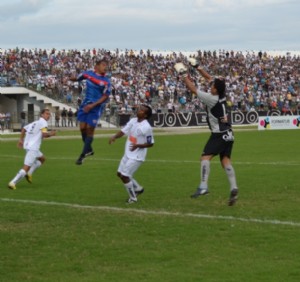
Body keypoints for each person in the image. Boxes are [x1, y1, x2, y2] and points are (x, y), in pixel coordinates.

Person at [174, 58, 239, 206]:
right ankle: (234, 187)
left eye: (212, 86)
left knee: (205, 158)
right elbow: (209, 78)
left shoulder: (212, 98)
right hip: (229, 133)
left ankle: (203, 186)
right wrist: (197, 67)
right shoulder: (222, 93)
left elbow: (193, 89)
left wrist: (184, 75)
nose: (210, 86)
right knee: (225, 161)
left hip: (218, 134)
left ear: (215, 89)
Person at [109, 104, 154, 204]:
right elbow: (123, 131)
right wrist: (114, 137)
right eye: (139, 109)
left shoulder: (147, 127)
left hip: (137, 156)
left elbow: (150, 143)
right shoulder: (133, 121)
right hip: (128, 154)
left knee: (125, 176)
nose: (139, 110)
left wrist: (138, 145)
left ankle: (133, 198)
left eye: (142, 110)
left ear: (145, 115)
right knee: (120, 174)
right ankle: (138, 188)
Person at [70, 59, 111, 165]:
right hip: (85, 104)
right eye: (103, 65)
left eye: (106, 65)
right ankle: (89, 149)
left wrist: (93, 105)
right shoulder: (88, 74)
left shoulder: (106, 81)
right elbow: (78, 78)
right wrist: (69, 79)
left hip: (96, 107)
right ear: (96, 66)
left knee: (89, 129)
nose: (105, 67)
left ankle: (82, 156)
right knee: (82, 128)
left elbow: (105, 96)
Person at [8, 109, 56, 190]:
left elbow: (24, 129)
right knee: (26, 167)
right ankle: (12, 182)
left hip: (28, 146)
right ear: (42, 114)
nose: (48, 116)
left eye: (49, 114)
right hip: (33, 148)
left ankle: (29, 174)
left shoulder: (35, 122)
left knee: (42, 159)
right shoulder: (43, 122)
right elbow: (44, 135)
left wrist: (20, 139)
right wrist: (52, 133)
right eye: (47, 114)